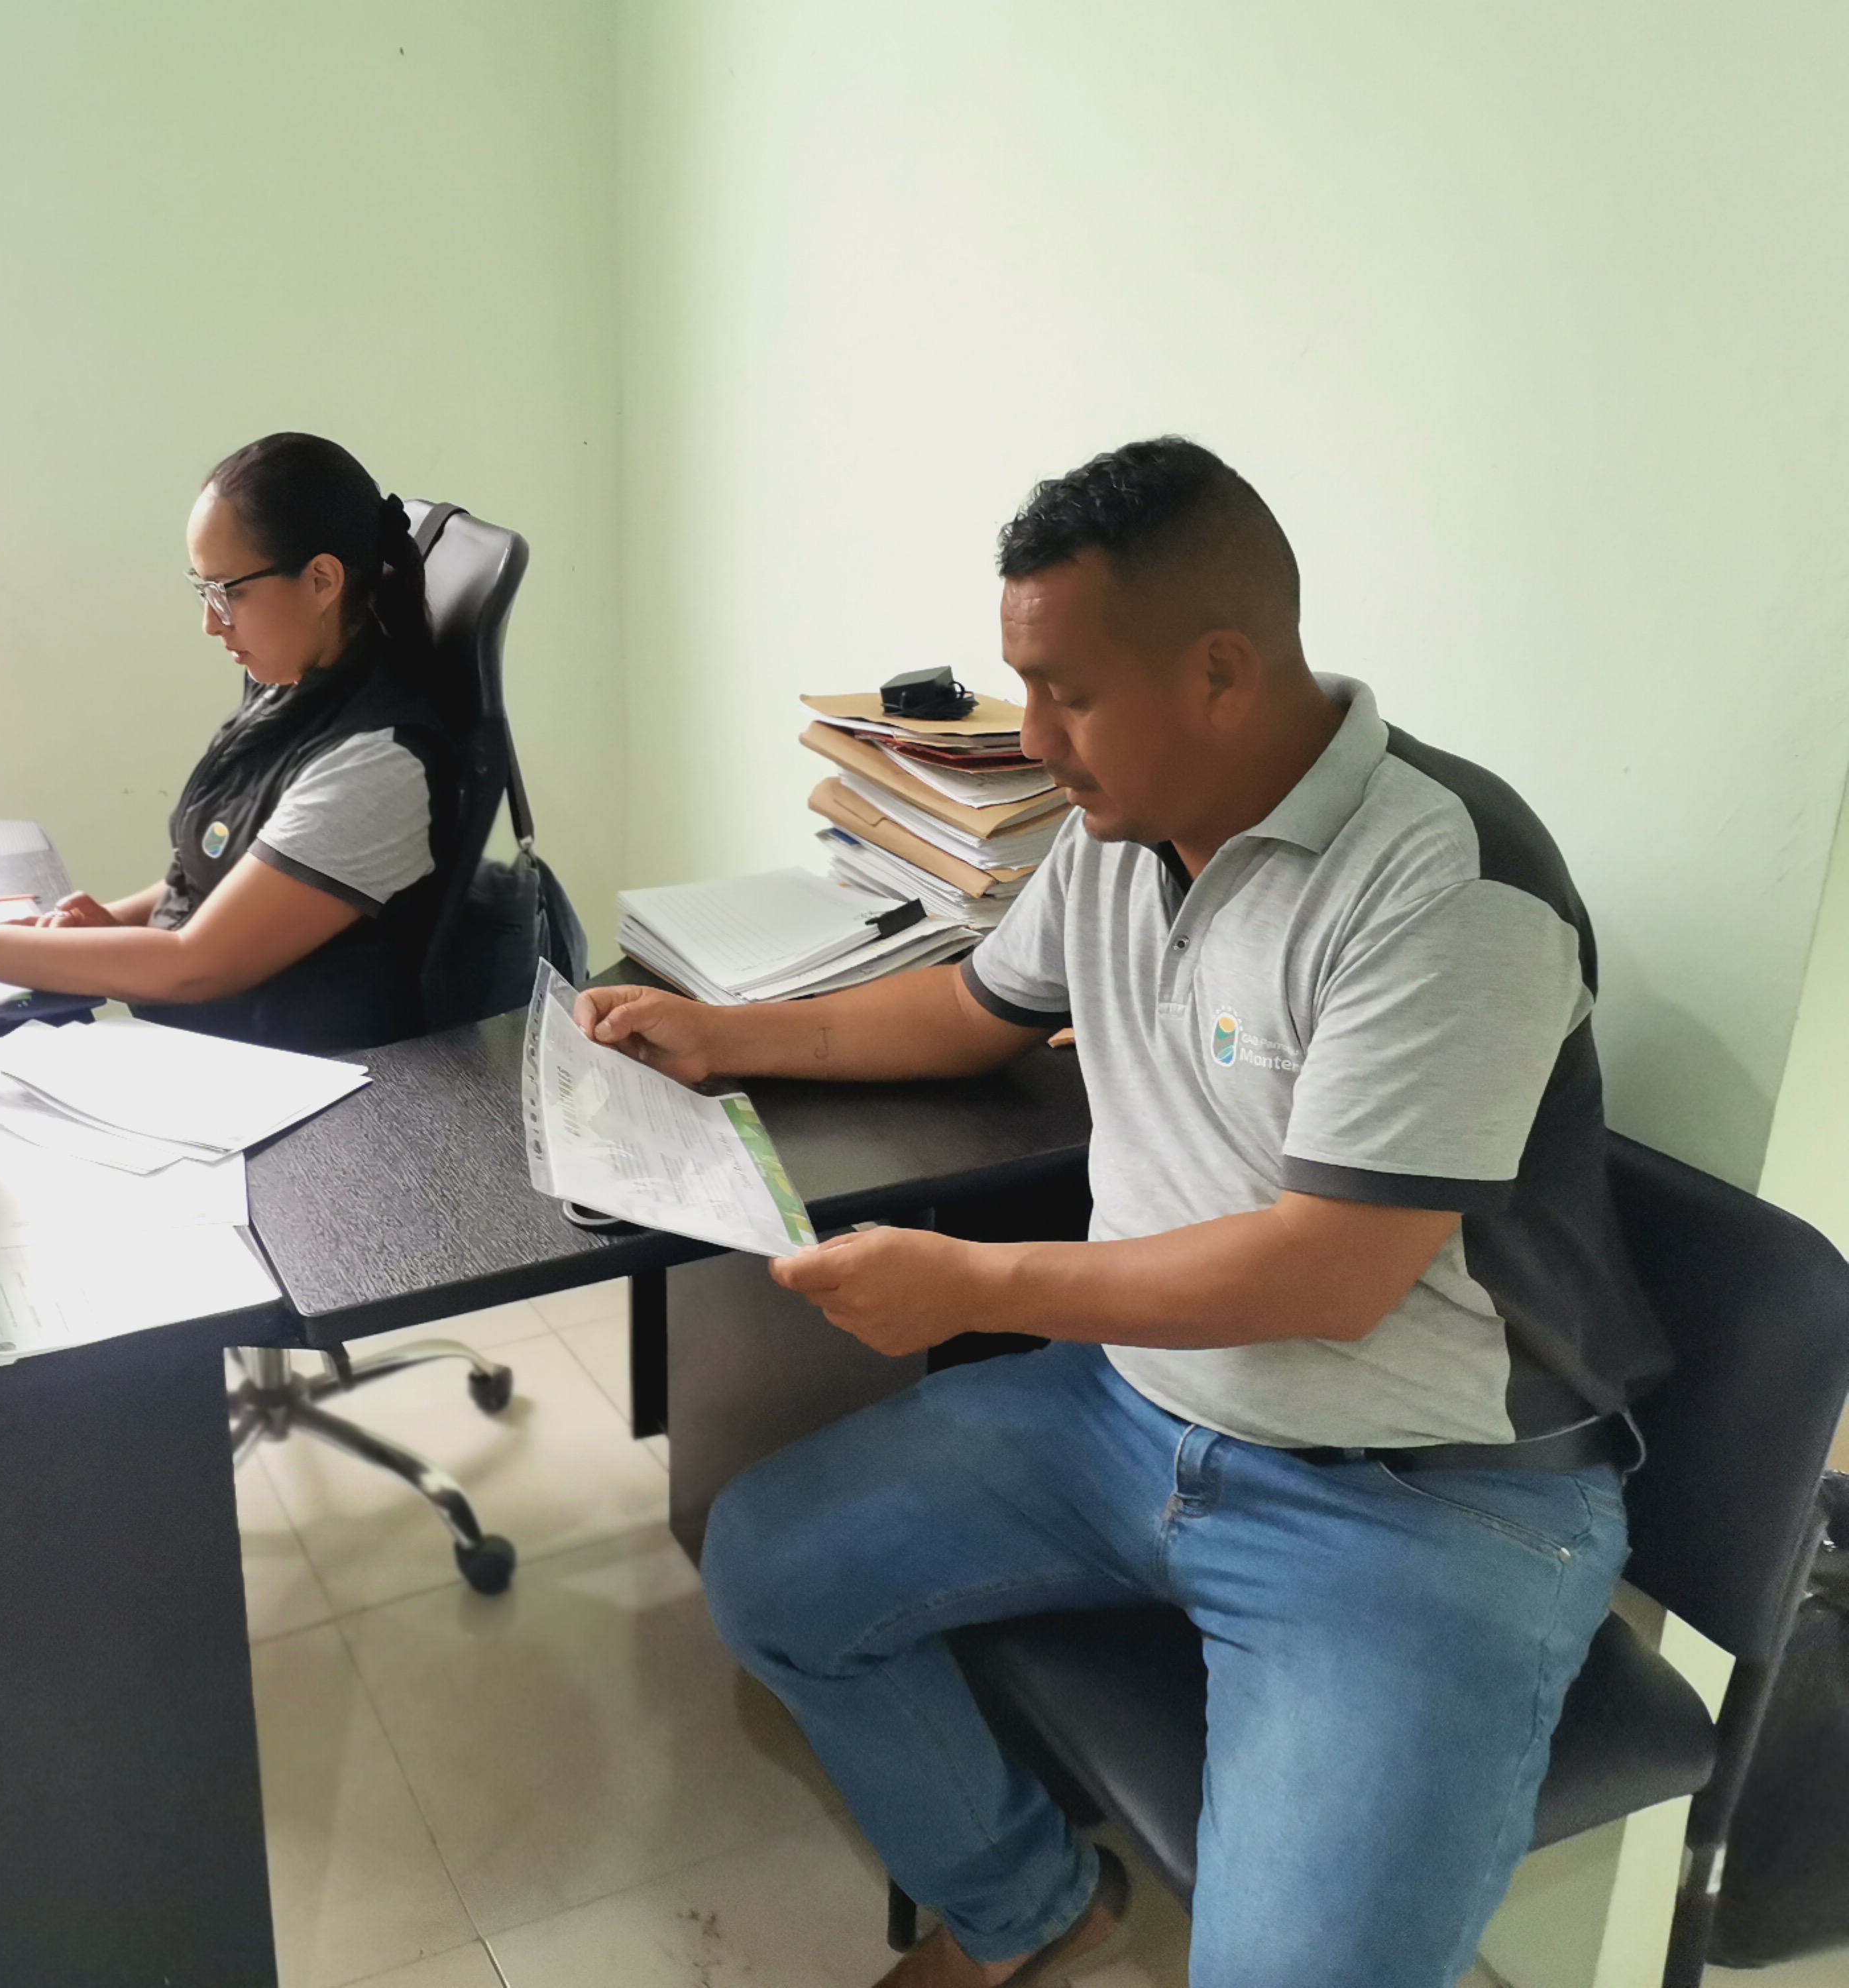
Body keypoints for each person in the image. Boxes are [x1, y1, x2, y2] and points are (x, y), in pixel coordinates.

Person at [574, 438, 1665, 1988]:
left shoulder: (1444, 884)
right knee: (768, 1567)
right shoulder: (1115, 831)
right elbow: (972, 1008)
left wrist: (971, 1284)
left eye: (1065, 694)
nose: (1030, 740)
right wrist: (723, 1033)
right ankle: (1028, 1904)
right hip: (1134, 1415)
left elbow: (1331, 1270)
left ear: (1219, 671)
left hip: (1420, 1505)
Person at [0, 432, 473, 1054]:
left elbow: (196, 964)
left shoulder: (380, 765)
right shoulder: (292, 686)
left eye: (228, 592)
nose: (210, 623)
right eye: (202, 590)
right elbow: (213, 881)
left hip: (309, 1081)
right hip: (217, 1046)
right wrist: (110, 923)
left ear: (323, 580)